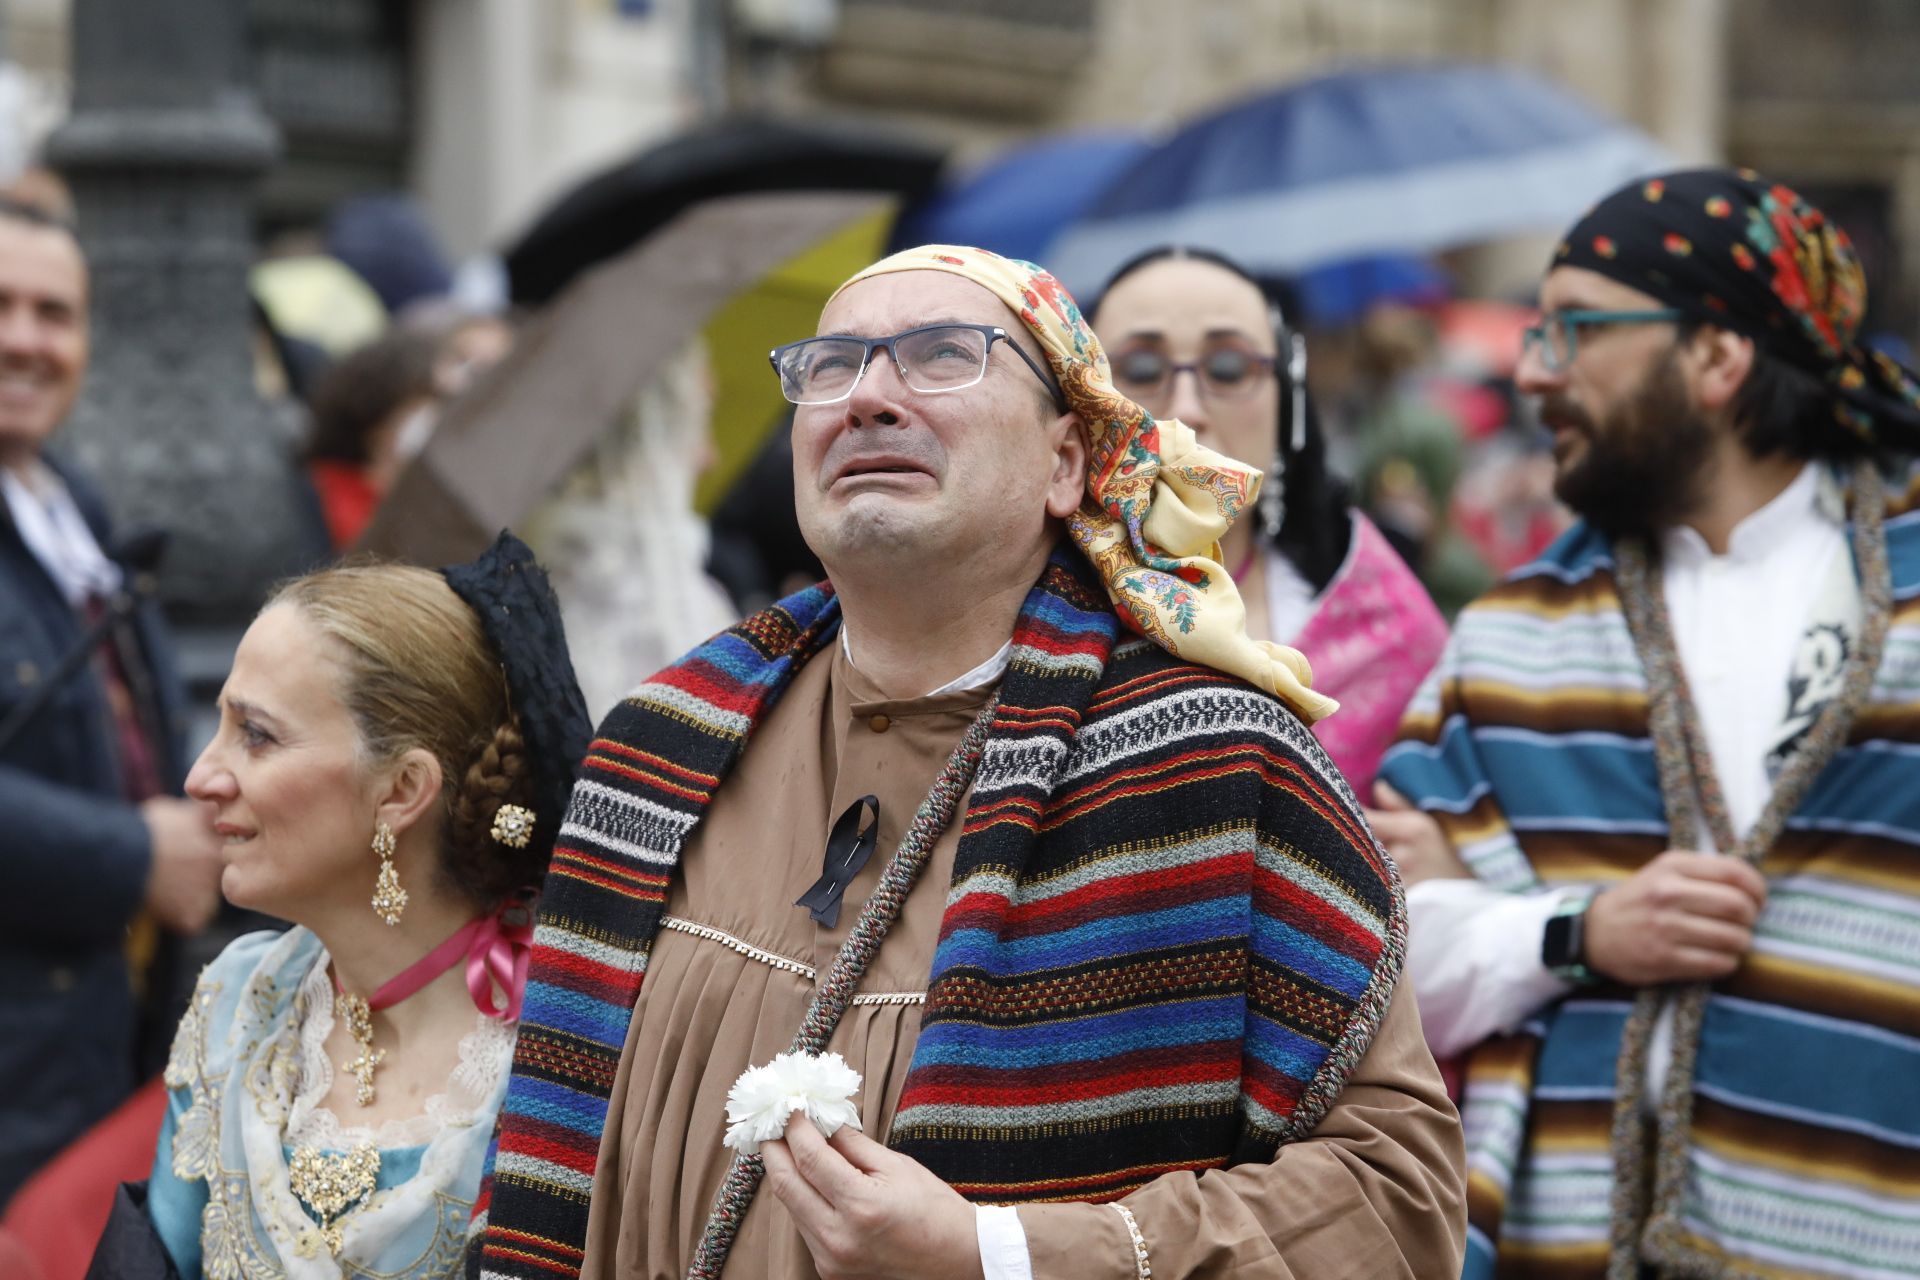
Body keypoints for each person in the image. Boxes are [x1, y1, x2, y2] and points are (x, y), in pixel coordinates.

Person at [475, 245, 1465, 1279]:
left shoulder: (1212, 758)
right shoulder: (657, 747)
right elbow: (545, 1156)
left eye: (941, 355)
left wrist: (998, 1253)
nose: (868, 398)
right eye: (833, 364)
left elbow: (1397, 1196)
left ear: (1066, 461)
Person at [1374, 169, 1920, 1278]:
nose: (1533, 369)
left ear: (1716, 358)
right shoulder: (1513, 634)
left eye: (1575, 328)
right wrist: (1576, 928)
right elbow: (1374, 947)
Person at [130, 533, 589, 1277]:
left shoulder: (561, 1055)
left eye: (256, 735)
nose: (201, 775)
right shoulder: (241, 1005)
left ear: (402, 791)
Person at [0, 197, 221, 1209]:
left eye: (55, 312)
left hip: (96, 1034)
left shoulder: (72, 502)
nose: (26, 340)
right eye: (1, 306)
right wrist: (134, 855)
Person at [1090, 247, 1448, 793]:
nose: (1187, 408)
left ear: (1287, 404)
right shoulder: (1017, 609)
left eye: (1229, 368)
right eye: (1141, 370)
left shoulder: (1384, 625)